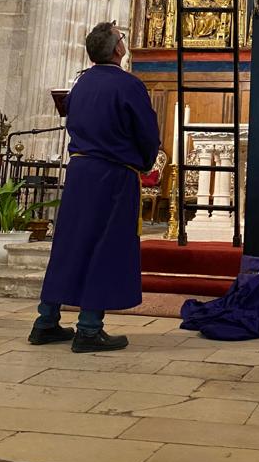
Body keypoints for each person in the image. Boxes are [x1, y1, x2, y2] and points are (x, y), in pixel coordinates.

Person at [28, 22, 160, 352]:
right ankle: (88, 329)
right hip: (113, 175)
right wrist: (144, 162)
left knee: (69, 244)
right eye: (123, 38)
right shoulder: (128, 85)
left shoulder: (80, 84)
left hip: (80, 172)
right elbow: (147, 134)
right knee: (106, 246)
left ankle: (46, 321)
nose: (125, 41)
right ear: (117, 49)